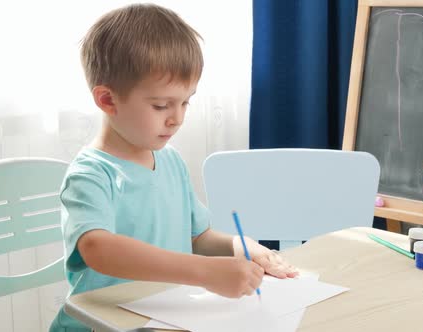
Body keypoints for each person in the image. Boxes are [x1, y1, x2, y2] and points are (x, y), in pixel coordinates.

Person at [50, 4, 298, 331]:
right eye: (161, 105)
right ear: (108, 100)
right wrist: (203, 272)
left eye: (185, 102)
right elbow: (98, 249)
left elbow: (198, 237)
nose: (177, 118)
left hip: (165, 317)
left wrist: (242, 246)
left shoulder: (170, 161)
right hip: (102, 323)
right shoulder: (92, 174)